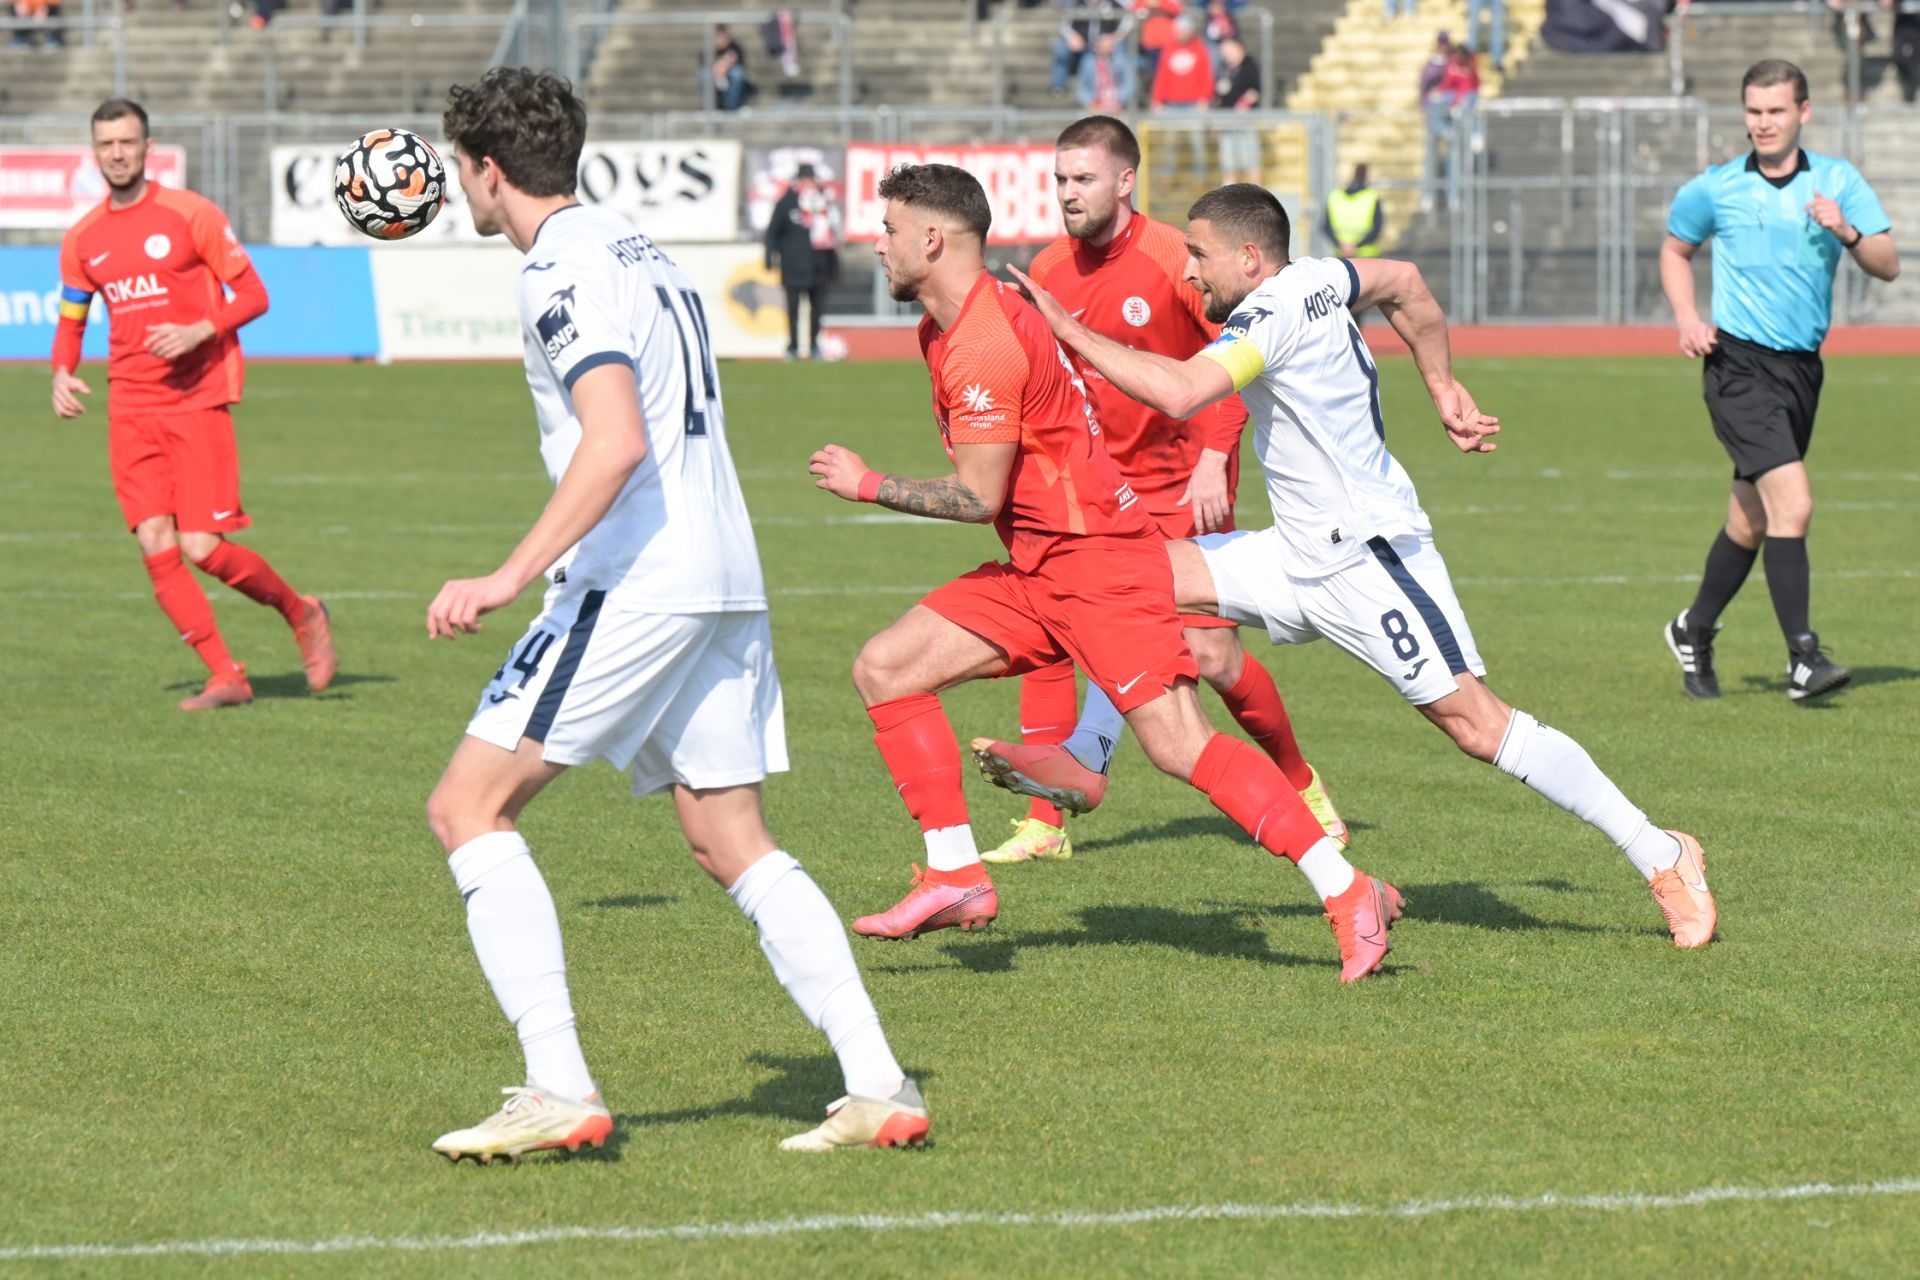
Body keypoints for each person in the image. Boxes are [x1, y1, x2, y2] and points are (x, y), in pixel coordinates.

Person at [424, 68, 927, 1163]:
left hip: (636, 577)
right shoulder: (632, 242)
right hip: (721, 569)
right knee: (727, 832)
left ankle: (557, 1082)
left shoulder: (556, 271)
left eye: (463, 167)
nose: (463, 185)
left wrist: (508, 574)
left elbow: (613, 439)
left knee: (469, 806)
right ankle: (879, 1083)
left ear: (489, 170)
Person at [1007, 183, 1719, 952]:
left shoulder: (1269, 313)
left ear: (1250, 257)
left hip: (1369, 560)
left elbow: (1181, 393)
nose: (1190, 274)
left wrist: (1064, 328)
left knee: (1477, 725)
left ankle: (1662, 851)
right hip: (1295, 553)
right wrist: (1442, 384)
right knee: (1126, 576)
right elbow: (1407, 283)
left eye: (1200, 256)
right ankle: (1087, 757)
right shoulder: (1323, 276)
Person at [810, 163, 1401, 984]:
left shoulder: (980, 339)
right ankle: (954, 877)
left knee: (1179, 745)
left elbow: (979, 495)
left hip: (1098, 565)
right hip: (1043, 564)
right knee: (886, 667)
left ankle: (1349, 890)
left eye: (889, 229)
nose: (877, 243)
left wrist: (867, 482)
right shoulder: (948, 326)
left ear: (932, 239)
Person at [985, 115, 1343, 867]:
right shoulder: (1048, 270)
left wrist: (1216, 457)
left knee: (1209, 658)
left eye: (1083, 179)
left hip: (1184, 485)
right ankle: (1046, 823)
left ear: (1125, 181)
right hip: (1095, 496)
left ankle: (1301, 783)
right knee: (1054, 638)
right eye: (1059, 180)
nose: (1067, 194)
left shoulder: (1174, 261)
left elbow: (1242, 357)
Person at [51, 99, 335, 712]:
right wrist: (60, 373)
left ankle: (302, 611)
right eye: (106, 145)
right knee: (155, 542)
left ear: (148, 147)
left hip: (195, 400)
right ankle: (225, 674)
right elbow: (72, 318)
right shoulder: (83, 239)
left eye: (128, 142)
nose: (117, 153)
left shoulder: (190, 214)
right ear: (94, 152)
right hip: (129, 409)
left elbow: (255, 294)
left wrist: (199, 330)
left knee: (202, 548)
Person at [1659, 60, 1898, 702]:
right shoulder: (1715, 188)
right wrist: (1687, 318)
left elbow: (1888, 263)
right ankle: (1803, 658)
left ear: (1803, 113)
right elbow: (1676, 248)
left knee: (1752, 520)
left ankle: (1694, 628)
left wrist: (1846, 230)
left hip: (1801, 371)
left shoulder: (1838, 180)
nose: (1763, 123)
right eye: (1754, 112)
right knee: (1794, 504)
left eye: (1776, 111)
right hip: (1738, 366)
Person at [764, 163, 836, 360]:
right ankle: (793, 347)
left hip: (819, 265)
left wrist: (833, 265)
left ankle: (814, 345)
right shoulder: (787, 203)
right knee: (793, 309)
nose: (809, 183)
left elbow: (832, 235)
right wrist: (770, 257)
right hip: (793, 265)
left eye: (811, 179)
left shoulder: (824, 202)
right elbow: (773, 232)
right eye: (805, 179)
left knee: (817, 309)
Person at [1212, 38, 1262, 184]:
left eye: (1228, 50)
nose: (1225, 54)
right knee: (1228, 164)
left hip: (1243, 122)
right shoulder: (1226, 70)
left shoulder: (1249, 66)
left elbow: (1256, 90)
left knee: (1250, 161)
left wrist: (1243, 103)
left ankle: (1255, 197)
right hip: (1226, 123)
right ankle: (1229, 200)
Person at [1323, 163, 1384, 257]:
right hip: (1366, 257)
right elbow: (1377, 228)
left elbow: (1326, 227)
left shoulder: (1335, 196)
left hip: (1341, 257)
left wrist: (1341, 245)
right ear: (1366, 176)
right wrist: (1356, 246)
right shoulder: (1371, 196)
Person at [1077, 29, 1137, 112]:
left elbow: (1130, 83)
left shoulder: (1122, 60)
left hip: (1117, 102)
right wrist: (1090, 103)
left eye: (1110, 45)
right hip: (1095, 102)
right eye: (1104, 46)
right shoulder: (1088, 63)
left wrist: (1120, 100)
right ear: (1097, 47)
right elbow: (1082, 87)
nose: (1107, 48)